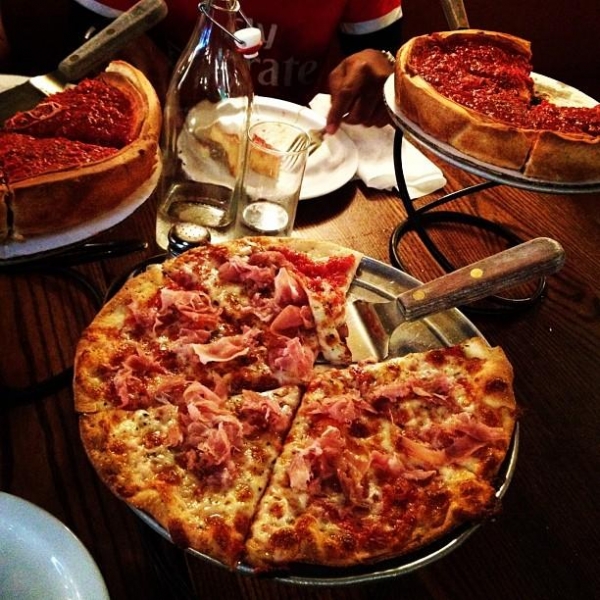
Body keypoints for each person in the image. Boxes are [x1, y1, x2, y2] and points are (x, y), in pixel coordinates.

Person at [0, 0, 403, 133]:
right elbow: (82, 35)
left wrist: (385, 68)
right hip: (164, 144)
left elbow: (383, 54)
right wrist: (119, 51)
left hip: (304, 160)